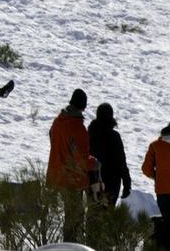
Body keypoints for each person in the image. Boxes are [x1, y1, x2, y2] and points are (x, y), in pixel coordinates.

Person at [47, 89, 97, 242]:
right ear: (83, 106)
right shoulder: (77, 127)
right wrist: (94, 163)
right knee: (74, 216)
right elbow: (81, 159)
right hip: (71, 180)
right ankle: (71, 246)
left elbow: (53, 140)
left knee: (70, 215)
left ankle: (68, 244)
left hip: (56, 175)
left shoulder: (58, 121)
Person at [88, 102, 132, 208]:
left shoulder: (89, 134)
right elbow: (121, 162)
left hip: (92, 180)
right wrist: (127, 184)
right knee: (107, 217)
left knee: (93, 214)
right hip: (111, 183)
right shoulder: (114, 137)